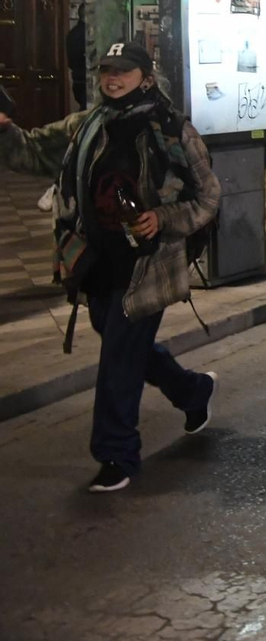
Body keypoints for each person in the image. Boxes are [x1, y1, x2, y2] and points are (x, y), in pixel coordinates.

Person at [0, 41, 221, 493]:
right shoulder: (88, 125)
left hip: (148, 264)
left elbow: (208, 198)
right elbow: (32, 151)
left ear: (145, 75)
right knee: (123, 343)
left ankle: (117, 452)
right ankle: (193, 391)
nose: (112, 79)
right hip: (98, 259)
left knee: (119, 355)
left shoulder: (173, 130)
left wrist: (162, 217)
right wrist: (4, 129)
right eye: (105, 71)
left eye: (123, 71)